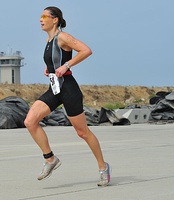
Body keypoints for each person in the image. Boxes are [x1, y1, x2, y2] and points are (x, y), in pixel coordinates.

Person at [24, 6, 111, 187]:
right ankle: (50, 159)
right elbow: (56, 61)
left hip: (69, 89)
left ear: (55, 20)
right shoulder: (49, 40)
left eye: (44, 16)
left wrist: (67, 65)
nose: (40, 20)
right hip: (55, 89)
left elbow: (86, 50)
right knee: (30, 121)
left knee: (83, 133)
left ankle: (103, 167)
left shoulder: (62, 37)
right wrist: (50, 69)